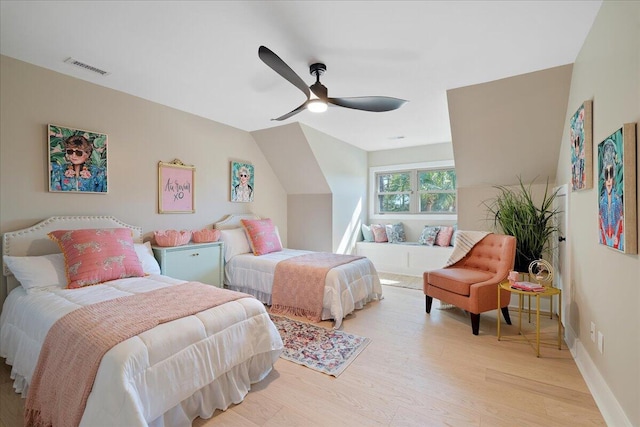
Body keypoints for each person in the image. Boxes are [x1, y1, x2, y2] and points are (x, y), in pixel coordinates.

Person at [598, 140, 624, 250]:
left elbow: (620, 222)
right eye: (606, 176)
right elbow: (600, 223)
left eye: (611, 176)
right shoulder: (602, 201)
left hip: (616, 241)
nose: (609, 180)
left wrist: (617, 237)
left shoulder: (618, 200)